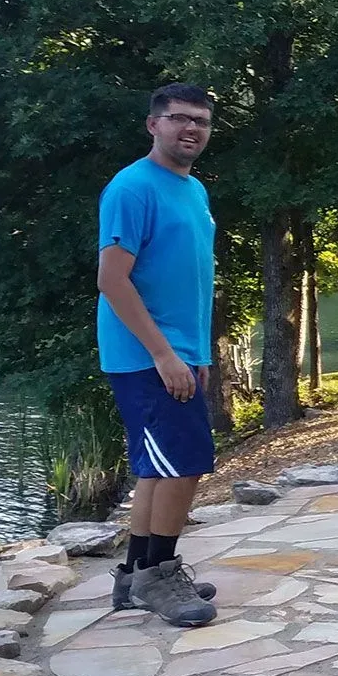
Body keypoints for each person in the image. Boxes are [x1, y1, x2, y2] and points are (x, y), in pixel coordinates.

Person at [96, 83, 220, 628]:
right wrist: (166, 356)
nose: (191, 128)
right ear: (153, 124)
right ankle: (159, 577)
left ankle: (136, 573)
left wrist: (196, 352)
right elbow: (113, 281)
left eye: (201, 121)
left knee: (157, 468)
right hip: (147, 355)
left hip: (178, 351)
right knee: (186, 465)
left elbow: (188, 278)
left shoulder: (192, 191)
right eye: (179, 119)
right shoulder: (132, 187)